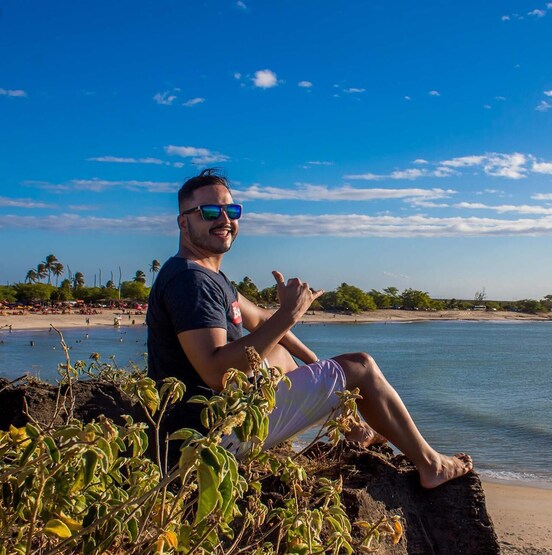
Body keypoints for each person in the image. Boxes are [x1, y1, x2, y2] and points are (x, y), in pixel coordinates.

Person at [147, 169, 471, 488]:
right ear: (183, 222)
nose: (224, 219)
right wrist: (289, 314)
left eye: (231, 210)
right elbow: (215, 372)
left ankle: (356, 431)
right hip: (210, 438)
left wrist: (314, 361)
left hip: (219, 421)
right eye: (209, 212)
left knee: (278, 354)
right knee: (361, 366)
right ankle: (431, 464)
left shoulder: (206, 274)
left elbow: (260, 320)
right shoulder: (191, 282)